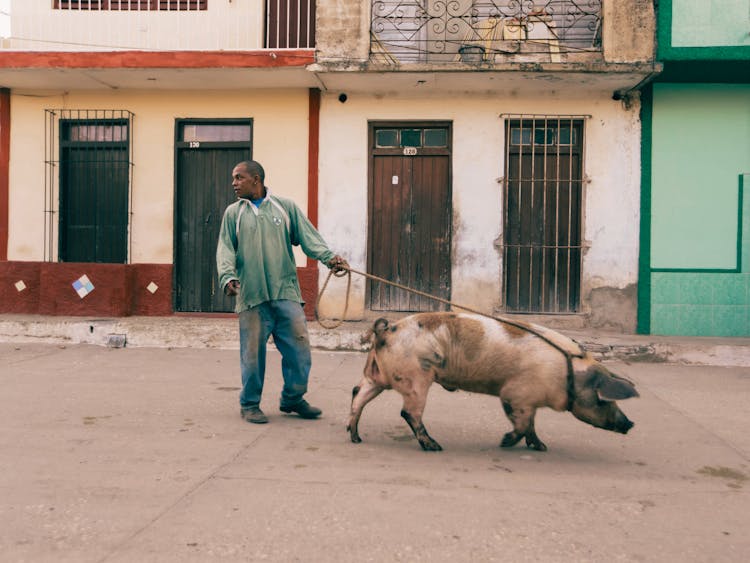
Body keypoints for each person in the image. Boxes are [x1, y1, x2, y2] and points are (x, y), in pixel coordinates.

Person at [216, 160, 348, 424]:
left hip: (285, 292)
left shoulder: (284, 207)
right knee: (252, 356)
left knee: (299, 352)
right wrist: (227, 276)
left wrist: (329, 258)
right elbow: (225, 249)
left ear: (256, 179)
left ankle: (292, 399)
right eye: (234, 178)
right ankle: (250, 404)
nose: (234, 183)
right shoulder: (233, 213)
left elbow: (309, 238)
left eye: (239, 178)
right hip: (251, 296)